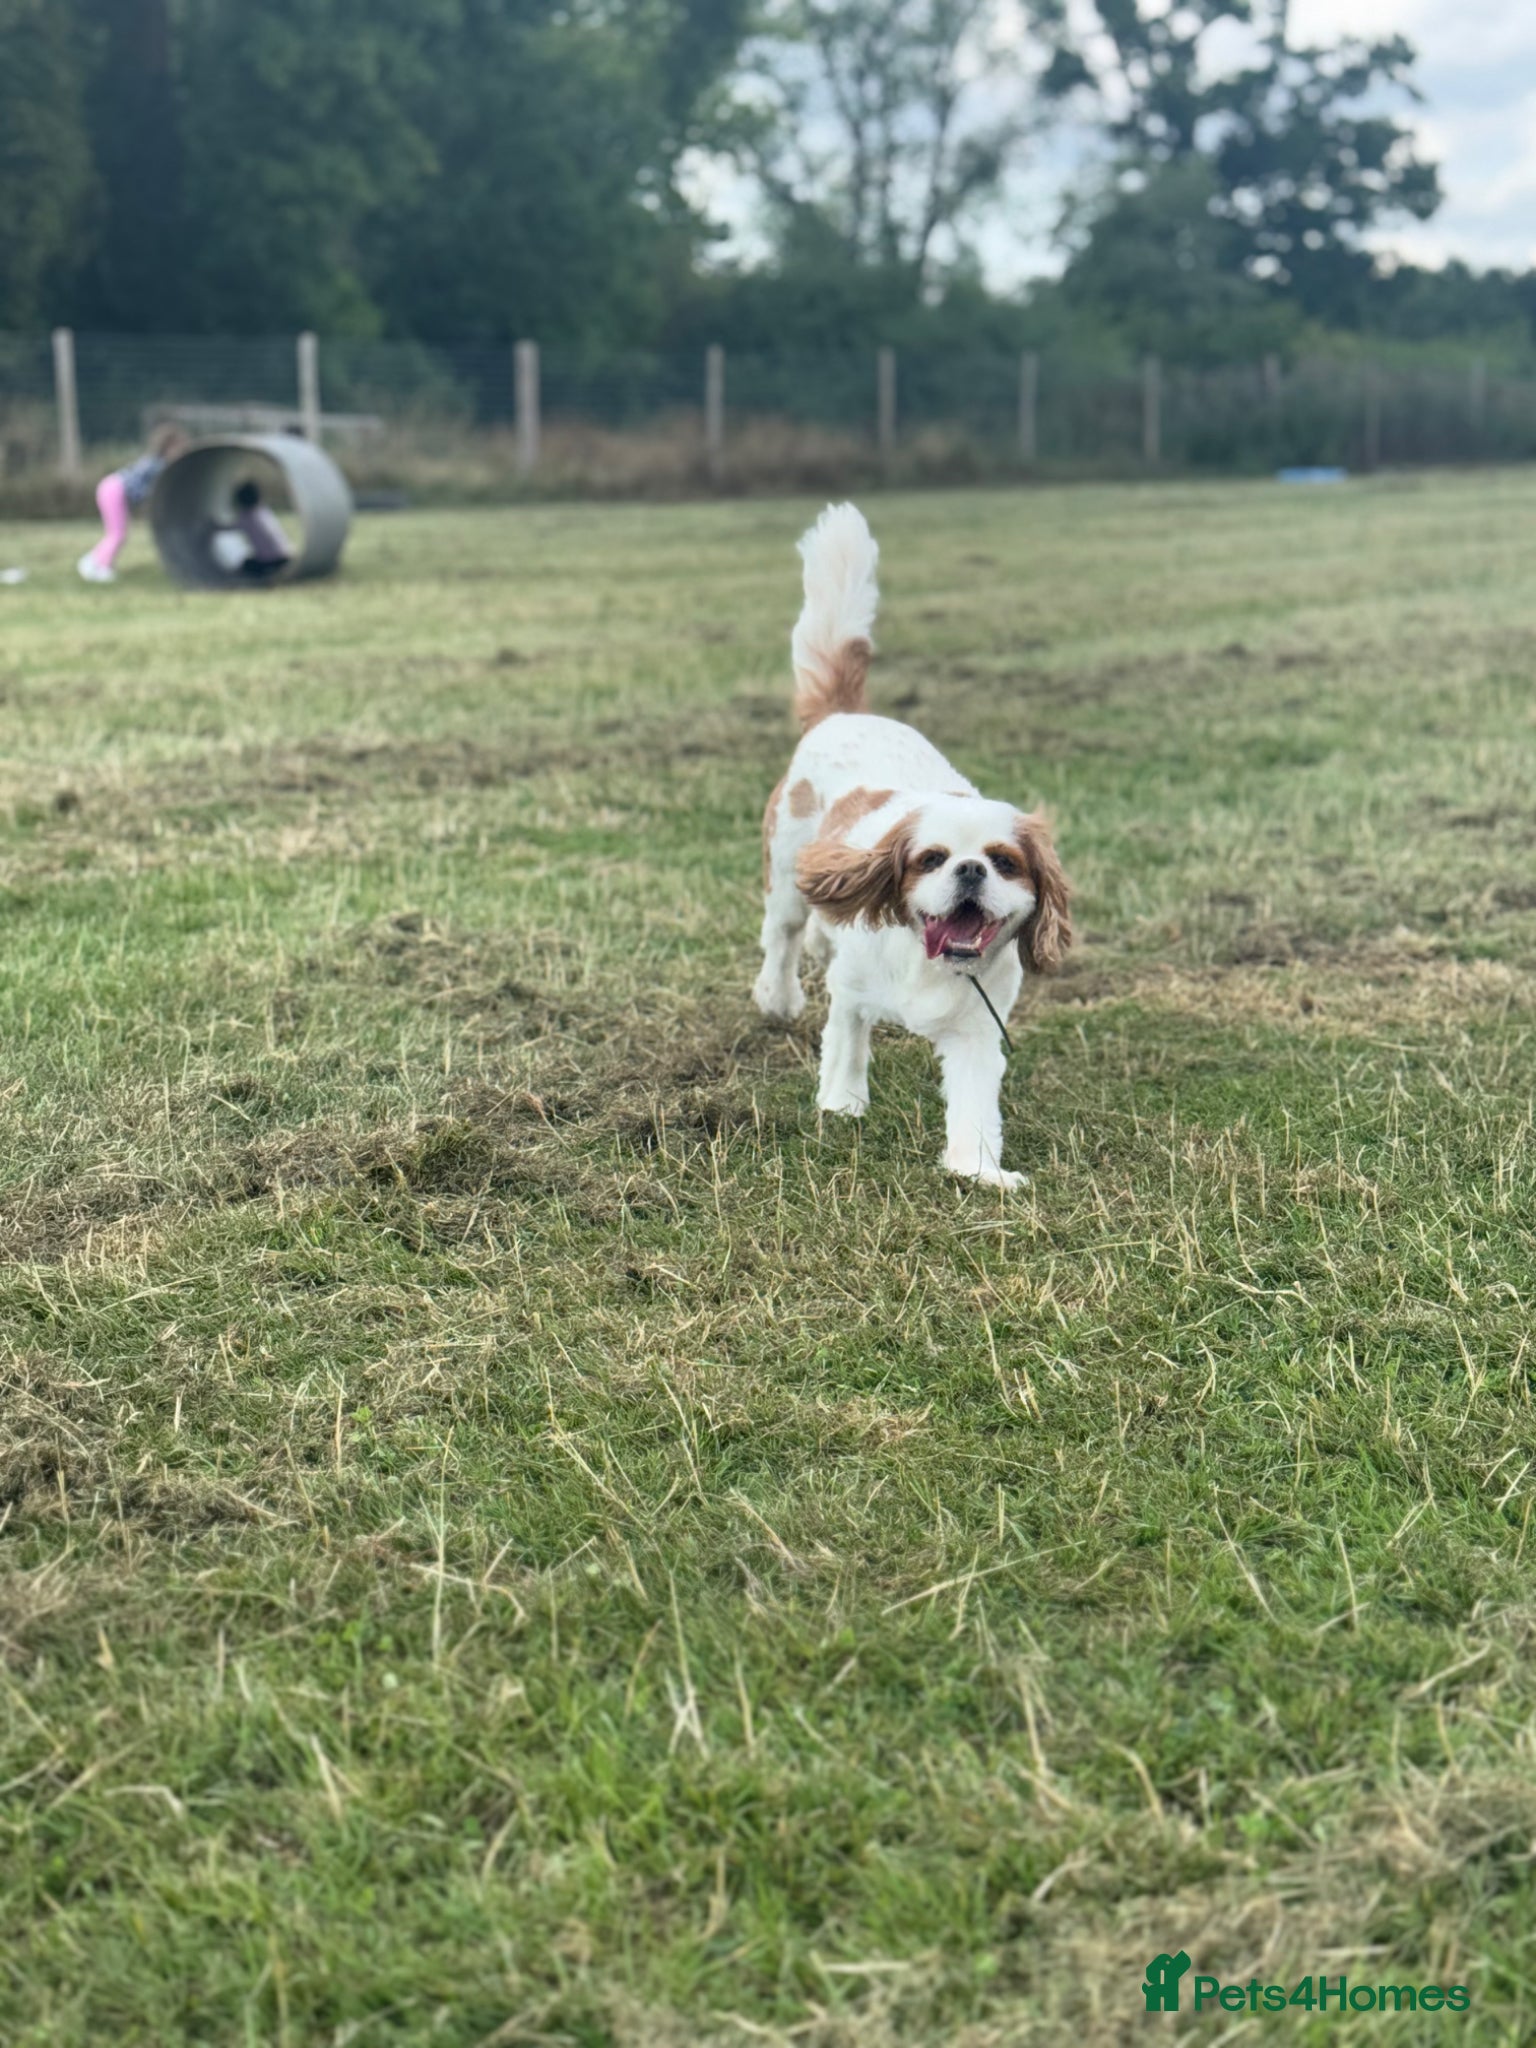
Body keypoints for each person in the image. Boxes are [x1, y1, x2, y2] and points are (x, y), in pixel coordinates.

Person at [77, 422, 189, 584]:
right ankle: (100, 567)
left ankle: (93, 561)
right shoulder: (157, 465)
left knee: (117, 533)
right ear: (168, 447)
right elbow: (154, 491)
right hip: (114, 490)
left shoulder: (155, 463)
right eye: (178, 449)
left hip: (112, 488)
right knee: (117, 534)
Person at [231, 478, 292, 578]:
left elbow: (228, 528)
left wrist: (212, 526)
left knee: (245, 564)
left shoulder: (245, 517)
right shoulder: (264, 511)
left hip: (268, 561)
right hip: (285, 556)